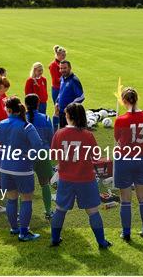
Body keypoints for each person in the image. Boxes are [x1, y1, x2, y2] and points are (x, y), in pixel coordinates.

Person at [50, 103, 112, 249]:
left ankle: (54, 239)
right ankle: (102, 242)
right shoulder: (87, 135)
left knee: (60, 210)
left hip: (65, 179)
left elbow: (53, 155)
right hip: (86, 179)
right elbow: (96, 156)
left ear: (69, 116)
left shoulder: (59, 133)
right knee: (93, 212)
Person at [0, 96, 44, 242]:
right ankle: (24, 233)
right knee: (26, 199)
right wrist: (31, 157)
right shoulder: (27, 126)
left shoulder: (0, 124)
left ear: (9, 110)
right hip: (23, 169)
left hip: (5, 168)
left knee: (11, 199)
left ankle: (14, 228)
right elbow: (38, 146)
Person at [114, 87, 143, 241]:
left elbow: (117, 139)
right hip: (141, 158)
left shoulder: (121, 120)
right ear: (137, 99)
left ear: (124, 101)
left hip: (124, 159)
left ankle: (126, 232)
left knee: (125, 199)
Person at [24, 93, 54, 220]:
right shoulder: (46, 118)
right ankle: (48, 211)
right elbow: (51, 137)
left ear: (25, 104)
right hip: (42, 154)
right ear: (38, 103)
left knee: (24, 188)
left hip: (26, 155)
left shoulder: (22, 119)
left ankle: (23, 215)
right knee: (45, 184)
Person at [55, 60, 84, 128]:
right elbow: (61, 92)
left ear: (70, 68)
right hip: (62, 113)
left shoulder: (74, 80)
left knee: (70, 134)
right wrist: (57, 102)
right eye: (61, 68)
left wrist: (70, 107)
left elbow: (81, 97)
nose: (62, 70)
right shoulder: (62, 78)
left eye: (65, 68)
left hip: (71, 114)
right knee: (62, 133)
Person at [49, 46, 66, 128]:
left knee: (63, 109)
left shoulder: (62, 64)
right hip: (56, 89)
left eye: (64, 55)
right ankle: (55, 127)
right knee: (57, 109)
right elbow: (56, 79)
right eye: (62, 55)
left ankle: (61, 126)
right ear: (58, 55)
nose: (64, 57)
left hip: (62, 89)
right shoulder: (53, 65)